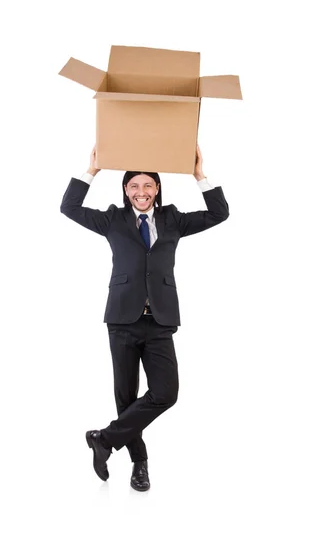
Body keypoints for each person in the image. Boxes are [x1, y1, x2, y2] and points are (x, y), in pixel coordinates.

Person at [60, 145, 229, 491]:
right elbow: (69, 207)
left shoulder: (173, 219)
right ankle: (140, 464)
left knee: (166, 393)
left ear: (157, 189)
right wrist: (91, 170)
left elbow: (219, 213)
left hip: (159, 321)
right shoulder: (112, 219)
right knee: (126, 397)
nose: (141, 192)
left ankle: (104, 439)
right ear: (125, 191)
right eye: (134, 186)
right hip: (122, 319)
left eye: (148, 186)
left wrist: (199, 174)